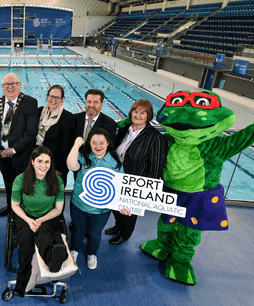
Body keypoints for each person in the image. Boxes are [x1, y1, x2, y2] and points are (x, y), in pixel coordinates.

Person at [105, 99, 168, 245]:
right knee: (115, 206)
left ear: (148, 116)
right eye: (135, 111)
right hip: (116, 177)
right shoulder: (123, 130)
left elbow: (155, 168)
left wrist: (144, 191)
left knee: (129, 211)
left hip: (135, 182)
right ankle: (118, 226)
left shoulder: (155, 138)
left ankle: (125, 233)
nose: (138, 115)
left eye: (142, 112)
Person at [11, 146, 66, 297]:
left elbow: (58, 209)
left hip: (47, 215)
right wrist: (29, 221)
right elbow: (15, 205)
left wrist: (41, 220)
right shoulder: (21, 179)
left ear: (51, 163)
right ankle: (22, 284)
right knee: (26, 239)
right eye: (40, 161)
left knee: (44, 235)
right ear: (33, 162)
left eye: (47, 162)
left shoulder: (57, 181)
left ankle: (52, 259)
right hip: (25, 214)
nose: (43, 165)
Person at [67, 128, 121, 270]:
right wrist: (76, 145)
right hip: (79, 204)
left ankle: (92, 253)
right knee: (78, 230)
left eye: (101, 143)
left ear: (108, 143)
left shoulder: (115, 163)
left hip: (101, 209)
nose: (98, 146)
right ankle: (74, 250)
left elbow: (122, 188)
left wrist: (124, 206)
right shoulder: (84, 157)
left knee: (94, 233)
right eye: (94, 143)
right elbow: (71, 166)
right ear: (89, 143)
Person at [0, 72, 38, 217]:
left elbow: (31, 132)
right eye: (7, 84)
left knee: (23, 185)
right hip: (2, 155)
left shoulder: (30, 102)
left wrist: (13, 149)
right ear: (2, 87)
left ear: (20, 85)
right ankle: (10, 206)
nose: (10, 87)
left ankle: (24, 210)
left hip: (21, 155)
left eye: (13, 84)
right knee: (8, 182)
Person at [36, 85, 75, 185]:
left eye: (57, 97)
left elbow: (67, 147)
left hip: (55, 168)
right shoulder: (39, 112)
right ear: (47, 97)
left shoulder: (68, 118)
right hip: (37, 165)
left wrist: (59, 169)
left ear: (62, 99)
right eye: (51, 96)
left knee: (54, 197)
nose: (53, 100)